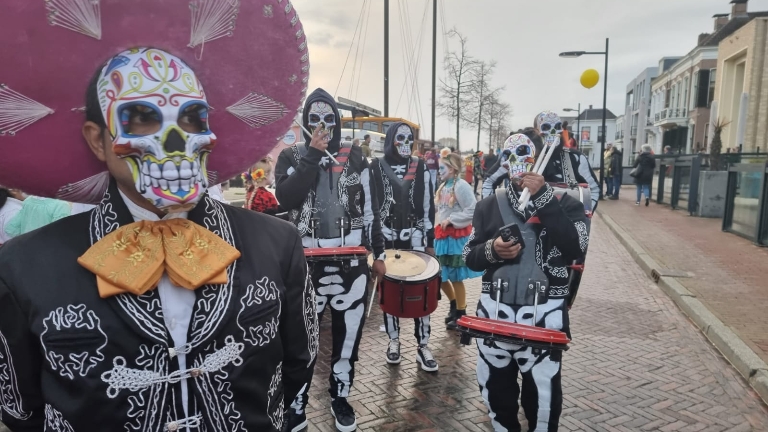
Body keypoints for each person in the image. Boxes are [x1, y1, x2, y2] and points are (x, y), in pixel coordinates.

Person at [0, 4, 318, 431]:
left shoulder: (276, 244)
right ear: (98, 140)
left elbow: (298, 369)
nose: (175, 139)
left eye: (191, 118)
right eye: (142, 119)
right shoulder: (24, 268)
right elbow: (22, 411)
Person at [276, 88, 386, 432]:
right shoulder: (291, 156)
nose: (322, 125)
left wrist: (378, 253)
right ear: (306, 122)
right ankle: (296, 404)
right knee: (302, 340)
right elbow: (286, 197)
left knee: (348, 337)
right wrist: (311, 155)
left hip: (352, 263)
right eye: (314, 120)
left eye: (328, 119)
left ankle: (340, 396)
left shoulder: (356, 156)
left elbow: (371, 212)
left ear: (337, 121)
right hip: (307, 263)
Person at [463, 133, 589, 432]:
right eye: (509, 155)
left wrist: (544, 198)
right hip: (495, 313)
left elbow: (576, 249)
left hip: (544, 315)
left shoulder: (568, 204)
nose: (516, 161)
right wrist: (492, 250)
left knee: (543, 399)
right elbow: (470, 255)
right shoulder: (488, 205)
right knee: (496, 395)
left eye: (524, 153)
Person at [369, 122, 438, 372]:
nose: (405, 142)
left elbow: (429, 205)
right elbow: (370, 207)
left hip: (416, 236)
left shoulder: (420, 166)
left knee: (423, 290)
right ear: (391, 139)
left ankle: (423, 345)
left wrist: (430, 241)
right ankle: (394, 341)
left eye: (409, 137)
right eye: (400, 137)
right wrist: (375, 243)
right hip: (387, 238)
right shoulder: (375, 166)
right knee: (390, 292)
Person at [435, 153, 483, 330]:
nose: (439, 171)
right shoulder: (443, 186)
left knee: (454, 276)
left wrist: (452, 220)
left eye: (442, 168)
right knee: (440, 276)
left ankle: (461, 313)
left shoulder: (461, 186)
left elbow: (472, 209)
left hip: (455, 237)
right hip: (443, 236)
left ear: (452, 169)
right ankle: (454, 305)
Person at [3, 195, 71, 238]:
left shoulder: (29, 201)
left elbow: (11, 228)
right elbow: (59, 234)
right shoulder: (61, 205)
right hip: (46, 253)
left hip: (25, 249)